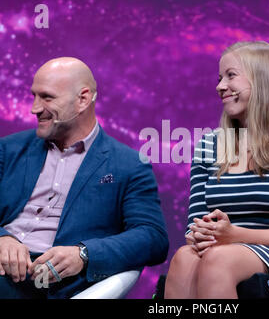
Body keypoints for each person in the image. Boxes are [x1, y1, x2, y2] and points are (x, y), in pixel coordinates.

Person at [164, 41, 269, 299]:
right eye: (220, 78)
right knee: (183, 259)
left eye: (231, 76)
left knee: (219, 260)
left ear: (263, 80)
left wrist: (234, 236)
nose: (220, 86)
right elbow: (194, 225)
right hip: (221, 248)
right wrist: (200, 234)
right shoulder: (209, 146)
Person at [0, 57, 169, 298]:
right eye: (34, 96)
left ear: (83, 99)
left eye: (47, 97)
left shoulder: (129, 165)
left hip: (53, 282)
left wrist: (83, 254)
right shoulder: (8, 150)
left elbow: (153, 237)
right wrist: (3, 238)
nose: (34, 108)